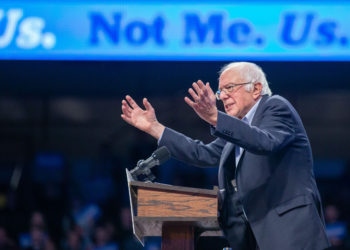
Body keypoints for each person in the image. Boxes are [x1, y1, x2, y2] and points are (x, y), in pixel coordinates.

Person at [121, 62, 331, 250]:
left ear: (256, 88)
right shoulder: (237, 129)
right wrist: (155, 128)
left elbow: (264, 142)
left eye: (230, 88)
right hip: (253, 237)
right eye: (220, 92)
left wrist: (215, 118)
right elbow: (203, 153)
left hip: (290, 232)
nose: (223, 97)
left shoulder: (276, 107)